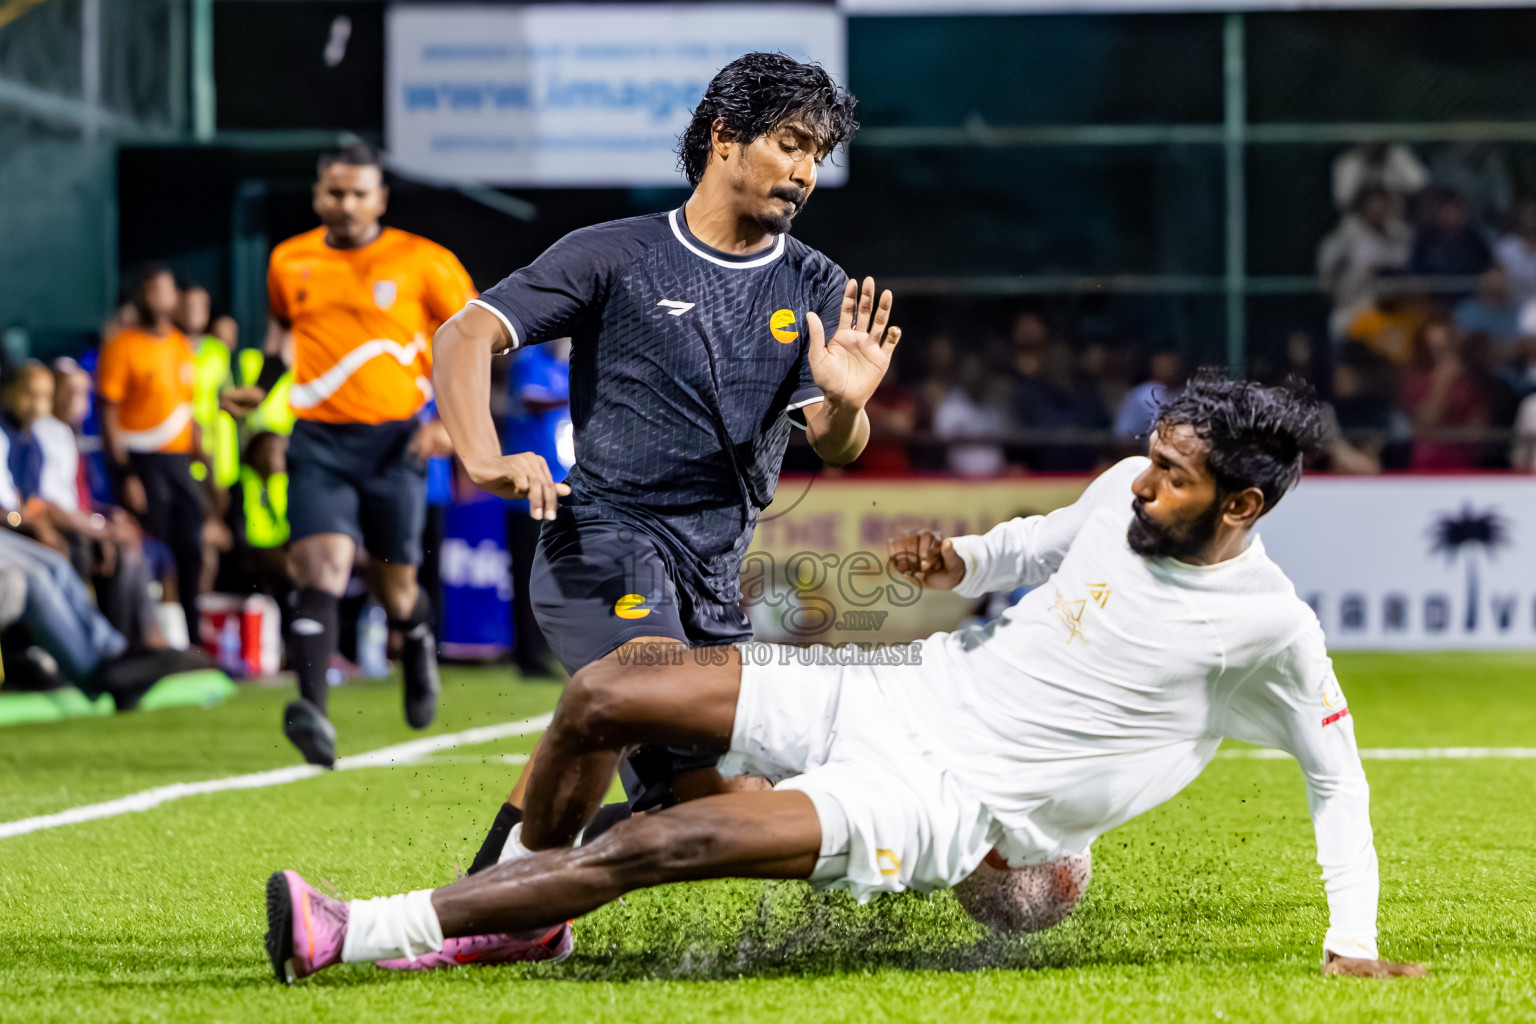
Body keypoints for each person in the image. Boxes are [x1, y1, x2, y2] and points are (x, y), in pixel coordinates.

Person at [265, 374, 1426, 982]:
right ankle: (519, 914)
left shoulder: (1269, 628)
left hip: (938, 803)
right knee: (608, 691)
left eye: (1174, 477)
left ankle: (359, 929)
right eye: (1153, 459)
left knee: (662, 843)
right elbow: (1041, 540)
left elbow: (1338, 778)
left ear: (1241, 505)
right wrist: (961, 558)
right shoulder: (1124, 487)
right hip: (898, 685)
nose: (1144, 484)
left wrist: (1351, 935)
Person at [429, 51, 891, 948]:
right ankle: (484, 918)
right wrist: (482, 459)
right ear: (724, 138)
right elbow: (465, 333)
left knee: (730, 812)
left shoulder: (816, 285)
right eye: (790, 144)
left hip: (714, 584)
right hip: (603, 542)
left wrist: (844, 405)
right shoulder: (617, 253)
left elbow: (837, 444)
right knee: (636, 681)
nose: (804, 171)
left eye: (817, 154)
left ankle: (517, 888)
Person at [265, 141, 475, 766]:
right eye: (335, 192)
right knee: (321, 568)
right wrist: (262, 383)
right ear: (317, 196)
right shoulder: (289, 260)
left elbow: (473, 340)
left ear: (380, 198)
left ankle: (416, 637)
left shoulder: (425, 261)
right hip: (318, 440)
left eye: (359, 193)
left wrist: (451, 425)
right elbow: (282, 333)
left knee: (395, 590)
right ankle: (312, 713)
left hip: (397, 442)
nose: (347, 204)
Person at [95, 266, 208, 638]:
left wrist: (201, 457)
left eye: (167, 288)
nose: (162, 296)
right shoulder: (122, 346)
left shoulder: (180, 345)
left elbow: (187, 408)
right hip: (141, 463)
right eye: (153, 289)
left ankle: (191, 636)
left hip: (180, 464)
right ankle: (145, 638)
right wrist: (125, 473)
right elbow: (109, 414)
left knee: (192, 548)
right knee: (150, 551)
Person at [501, 340, 573, 680]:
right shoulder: (528, 361)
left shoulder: (562, 367)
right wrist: (577, 396)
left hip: (561, 484)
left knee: (557, 574)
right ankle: (528, 656)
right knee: (531, 574)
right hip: (527, 488)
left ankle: (546, 651)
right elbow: (532, 402)